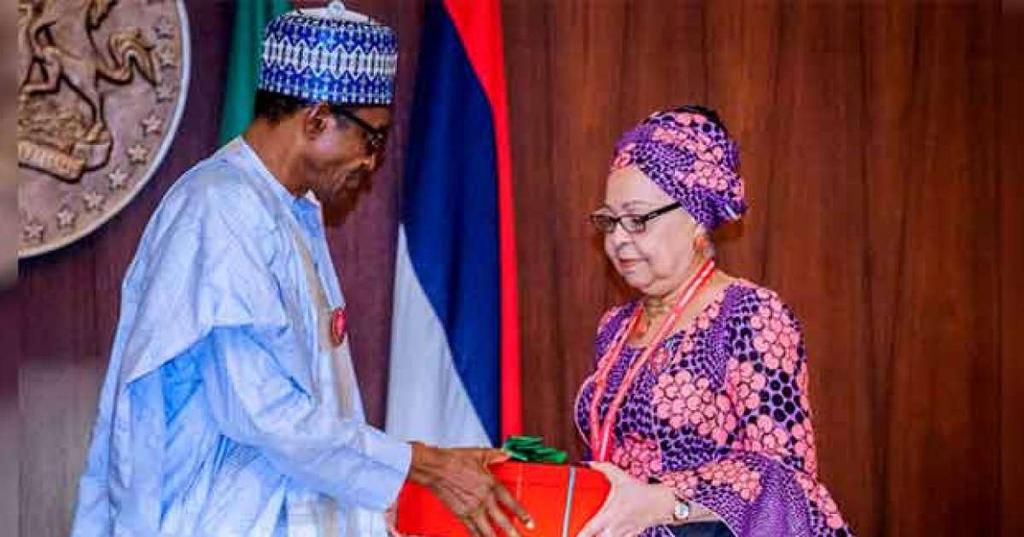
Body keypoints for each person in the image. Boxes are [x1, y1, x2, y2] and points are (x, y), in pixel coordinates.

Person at [70, 3, 530, 536]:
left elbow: (313, 408)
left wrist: (423, 466)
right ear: (316, 119)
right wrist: (425, 464)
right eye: (372, 139)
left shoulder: (287, 211)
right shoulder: (221, 211)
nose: (371, 162)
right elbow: (262, 414)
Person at [574, 106, 853, 537]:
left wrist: (664, 504)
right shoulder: (614, 326)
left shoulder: (749, 315)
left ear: (696, 220)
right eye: (609, 221)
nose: (617, 239)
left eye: (637, 220)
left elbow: (785, 479)